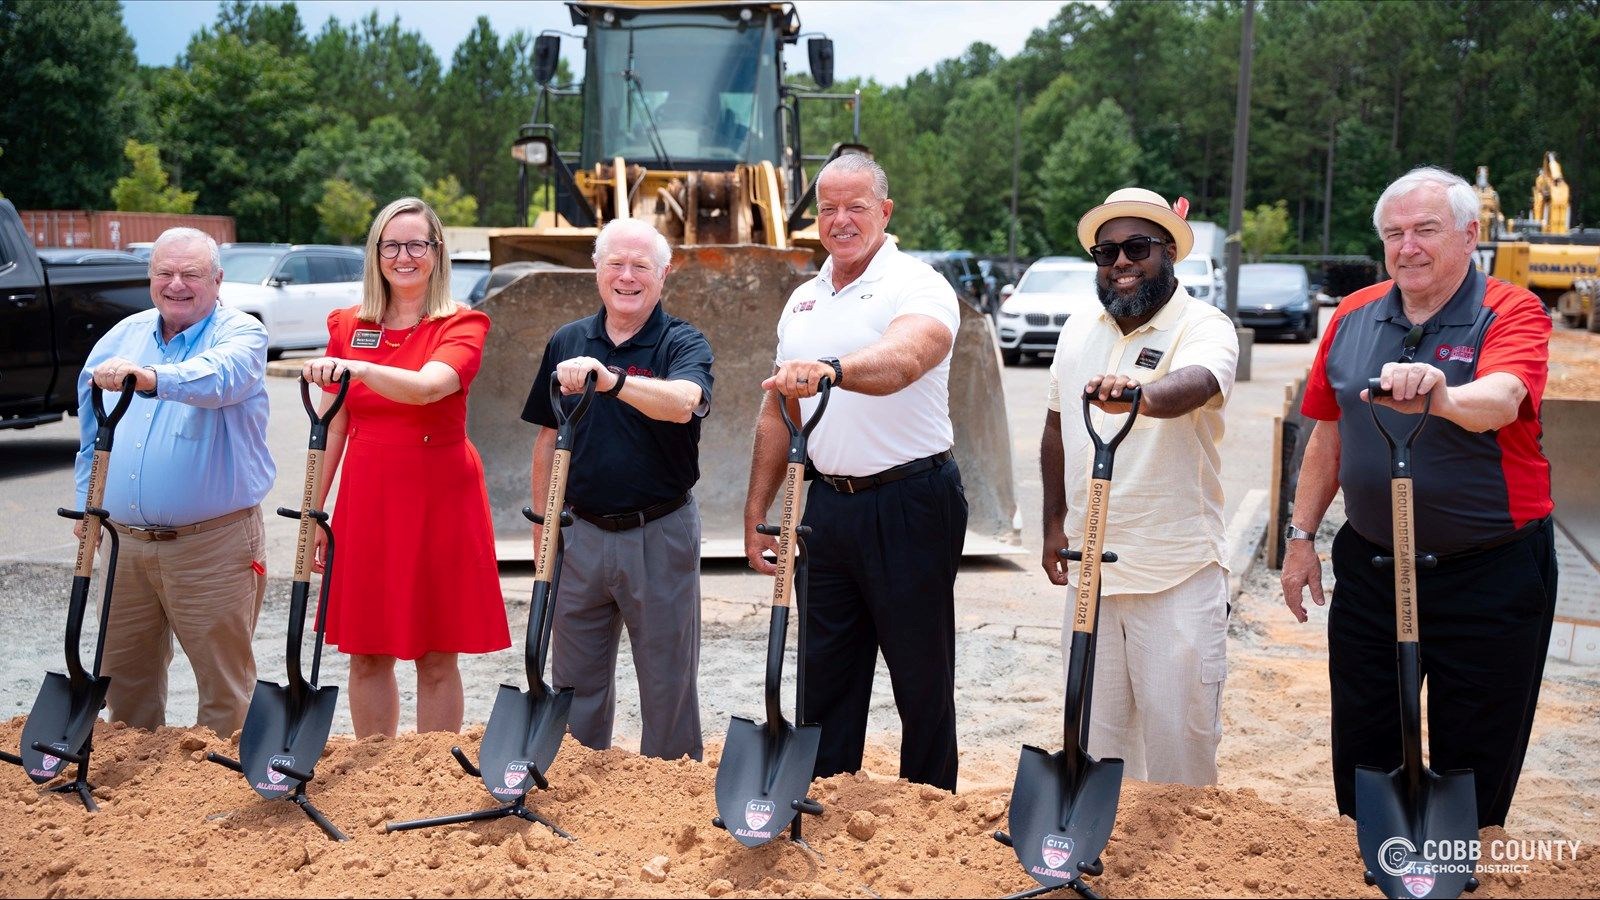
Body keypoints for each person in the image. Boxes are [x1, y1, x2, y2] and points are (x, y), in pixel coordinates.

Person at [1281, 166, 1557, 828]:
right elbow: (1327, 434)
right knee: (1363, 735)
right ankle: (1377, 853)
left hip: (1490, 571)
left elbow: (1504, 398)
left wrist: (1445, 397)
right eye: (1394, 233)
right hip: (1374, 564)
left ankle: (1459, 857)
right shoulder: (1352, 315)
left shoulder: (1511, 310)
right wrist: (1301, 537)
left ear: (1469, 234)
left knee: (1477, 747)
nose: (1408, 247)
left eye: (1426, 230)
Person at [744, 154, 966, 791]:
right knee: (826, 674)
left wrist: (832, 371)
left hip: (912, 500)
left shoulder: (918, 285)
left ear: (885, 212)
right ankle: (827, 798)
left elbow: (905, 359)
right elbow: (779, 410)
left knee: (920, 675)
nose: (841, 221)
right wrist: (757, 511)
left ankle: (929, 809)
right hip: (827, 508)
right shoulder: (803, 300)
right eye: (828, 209)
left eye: (856, 207)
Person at [1040, 187, 1239, 787]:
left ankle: (1182, 850)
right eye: (1107, 252)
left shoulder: (1203, 325)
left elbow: (1198, 383)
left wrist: (1141, 397)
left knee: (1180, 752)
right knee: (1095, 747)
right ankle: (1097, 842)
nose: (1121, 262)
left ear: (1169, 251)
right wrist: (1053, 525)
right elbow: (1055, 427)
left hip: (1175, 573)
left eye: (1137, 248)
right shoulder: (1079, 329)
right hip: (1092, 573)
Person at [301, 197, 509, 738]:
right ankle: (378, 769)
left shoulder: (460, 323)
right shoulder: (350, 325)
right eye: (390, 245)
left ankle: (429, 769)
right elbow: (333, 425)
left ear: (437, 252)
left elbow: (428, 388)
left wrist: (358, 368)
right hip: (368, 495)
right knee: (367, 650)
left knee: (436, 653)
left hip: (440, 495)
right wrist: (313, 511)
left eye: (417, 244)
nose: (404, 256)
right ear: (375, 254)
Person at [521, 218, 713, 761]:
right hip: (579, 531)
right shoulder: (568, 340)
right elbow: (548, 436)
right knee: (573, 681)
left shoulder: (683, 341)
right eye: (616, 264)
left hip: (660, 531)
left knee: (667, 683)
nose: (627, 277)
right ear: (596, 270)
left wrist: (614, 381)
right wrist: (544, 529)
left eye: (641, 267)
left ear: (663, 275)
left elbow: (683, 403)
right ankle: (579, 786)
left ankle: (670, 791)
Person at [74, 226, 274, 736]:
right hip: (122, 544)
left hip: (212, 545)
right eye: (165, 272)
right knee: (125, 682)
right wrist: (85, 504)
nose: (176, 284)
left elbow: (220, 377)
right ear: (150, 277)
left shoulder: (241, 334)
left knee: (224, 686)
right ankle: (139, 784)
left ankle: (221, 781)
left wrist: (152, 378)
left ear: (217, 279)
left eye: (191, 273)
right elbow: (92, 431)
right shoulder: (122, 337)